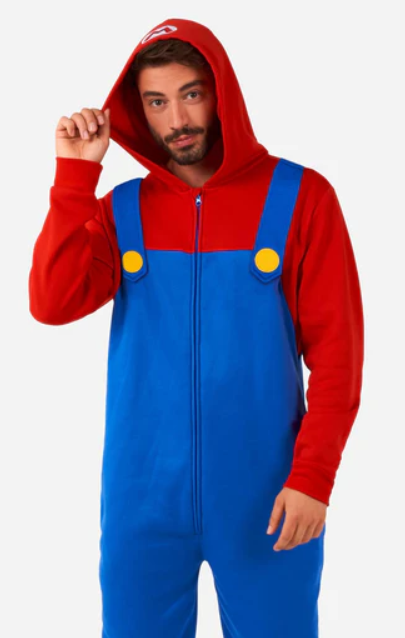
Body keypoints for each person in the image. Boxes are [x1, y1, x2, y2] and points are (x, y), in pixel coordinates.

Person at [28, 16, 364, 638]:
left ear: (221, 93)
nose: (177, 119)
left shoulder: (303, 197)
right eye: (156, 102)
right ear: (139, 110)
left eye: (191, 94)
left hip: (269, 498)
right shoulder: (121, 210)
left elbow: (339, 357)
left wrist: (313, 478)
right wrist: (75, 178)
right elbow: (51, 303)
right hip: (141, 499)